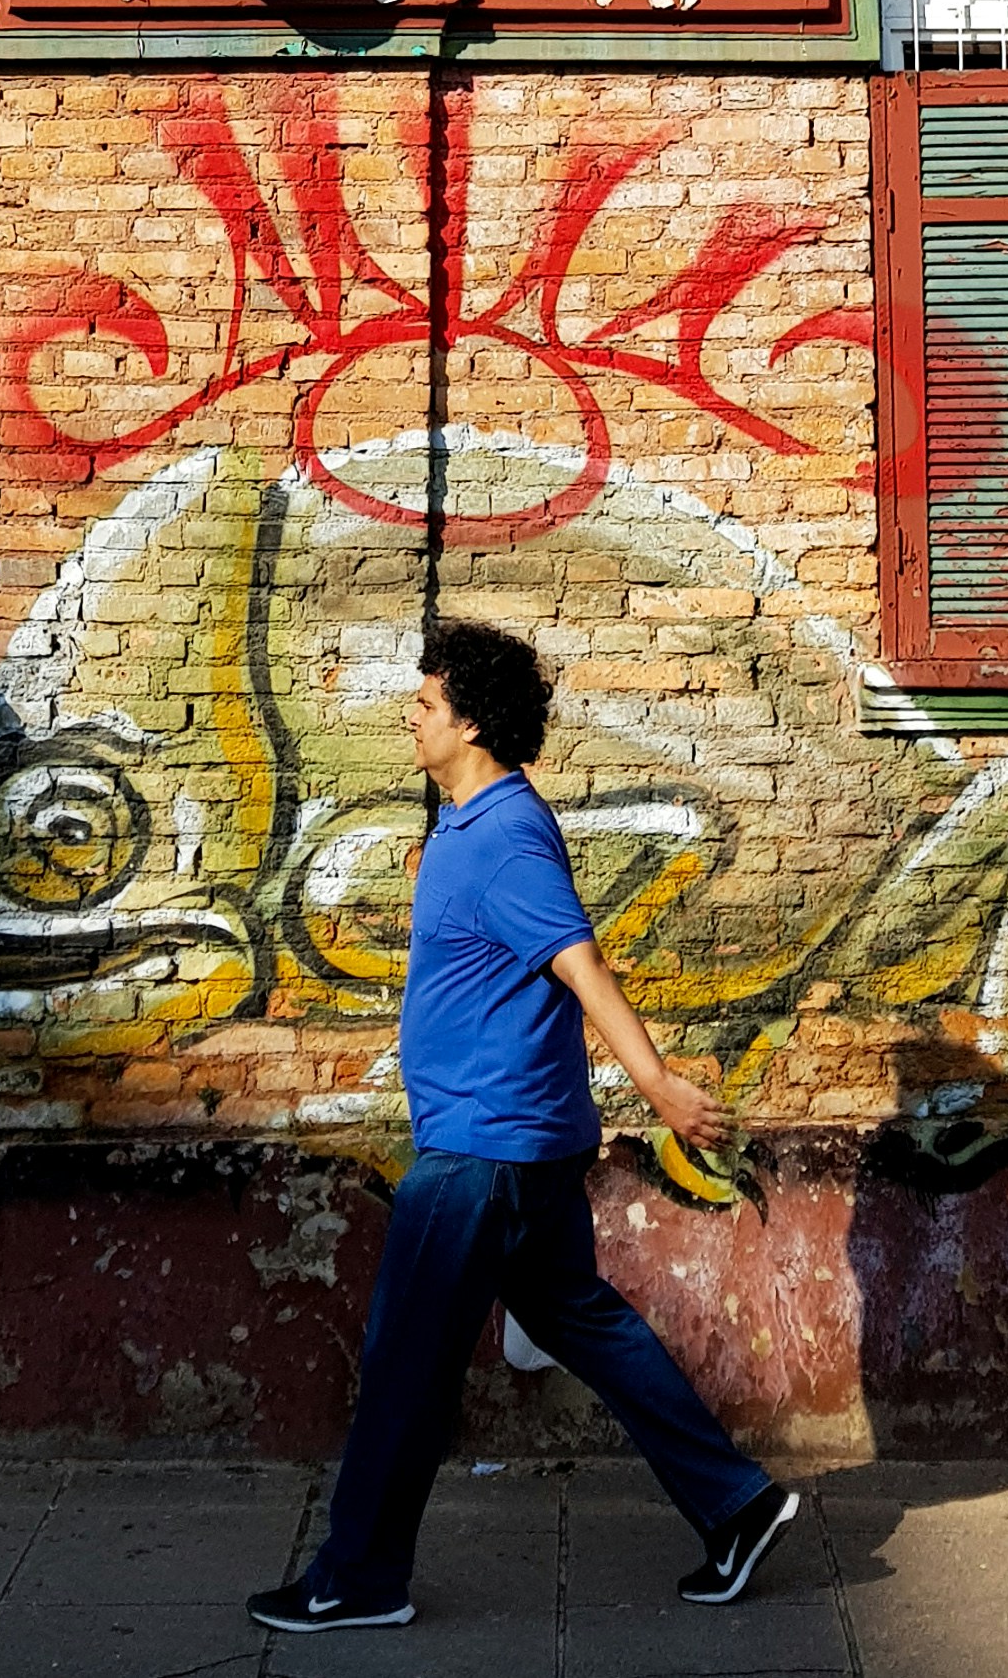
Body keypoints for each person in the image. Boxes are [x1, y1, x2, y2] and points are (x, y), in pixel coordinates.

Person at [249, 617, 801, 1636]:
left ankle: (358, 1577)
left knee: (403, 1357)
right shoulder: (474, 825)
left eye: (426, 704)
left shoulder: (503, 836)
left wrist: (658, 1086)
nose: (410, 716)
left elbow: (582, 965)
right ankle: (736, 1504)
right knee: (580, 1320)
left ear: (470, 724)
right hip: (519, 1143)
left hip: (482, 1150)